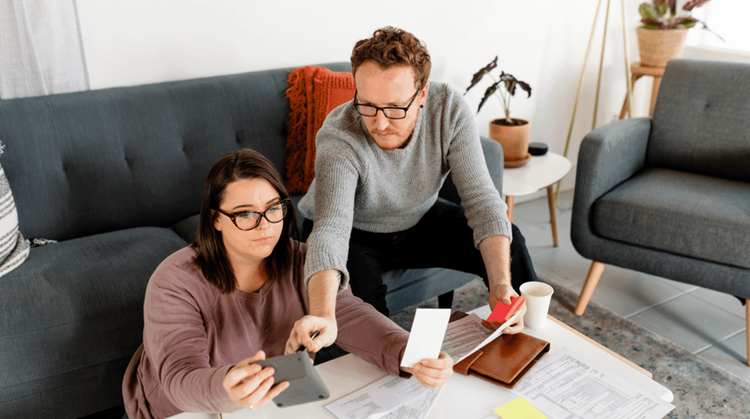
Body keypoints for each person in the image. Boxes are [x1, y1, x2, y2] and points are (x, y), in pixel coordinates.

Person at [121, 149, 453, 419]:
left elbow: (347, 314)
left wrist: (407, 351)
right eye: (245, 214)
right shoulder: (174, 281)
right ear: (216, 220)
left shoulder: (304, 259)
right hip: (180, 409)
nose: (265, 226)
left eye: (273, 209)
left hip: (272, 395)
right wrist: (226, 387)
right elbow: (180, 376)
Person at [295, 26, 538, 353]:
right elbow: (331, 229)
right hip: (354, 229)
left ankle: (531, 334)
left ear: (422, 94)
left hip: (416, 216)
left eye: (395, 108)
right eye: (367, 105)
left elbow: (483, 202)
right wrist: (323, 314)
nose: (380, 124)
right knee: (364, 318)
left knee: (512, 240)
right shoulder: (340, 133)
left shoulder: (448, 109)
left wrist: (500, 285)